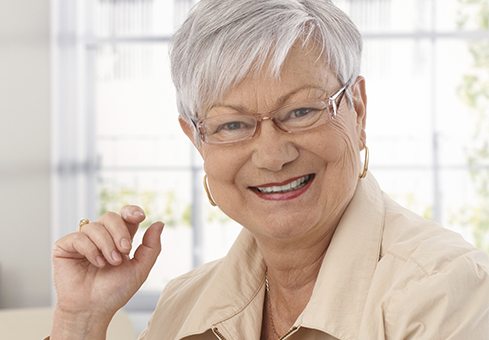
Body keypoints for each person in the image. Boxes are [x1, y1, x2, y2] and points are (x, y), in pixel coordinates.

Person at [49, 0, 489, 339]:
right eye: (233, 124)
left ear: (358, 110)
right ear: (196, 140)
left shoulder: (448, 290)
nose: (272, 154)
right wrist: (80, 322)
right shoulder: (183, 307)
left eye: (300, 111)